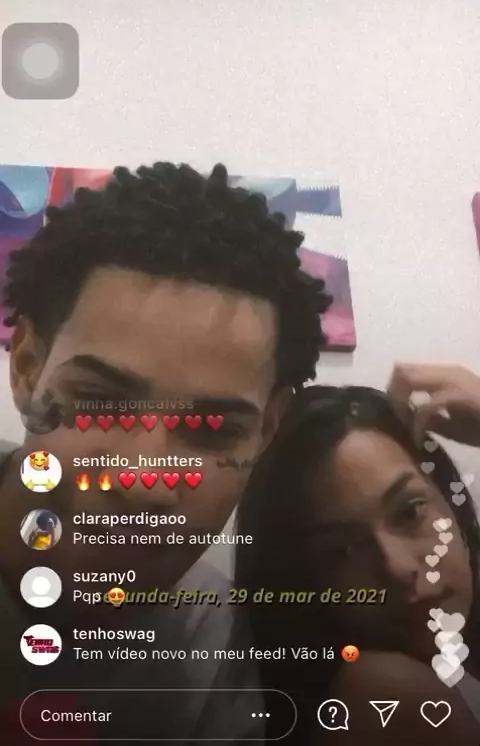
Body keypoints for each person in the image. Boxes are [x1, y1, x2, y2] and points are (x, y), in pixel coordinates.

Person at [0, 162, 331, 742]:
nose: (143, 479)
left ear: (266, 431)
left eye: (212, 430)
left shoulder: (212, 645)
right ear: (28, 367)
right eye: (100, 401)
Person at [235, 378, 480, 744]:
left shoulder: (448, 659)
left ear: (448, 498)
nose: (397, 568)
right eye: (341, 552)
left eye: (409, 513)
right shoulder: (386, 688)